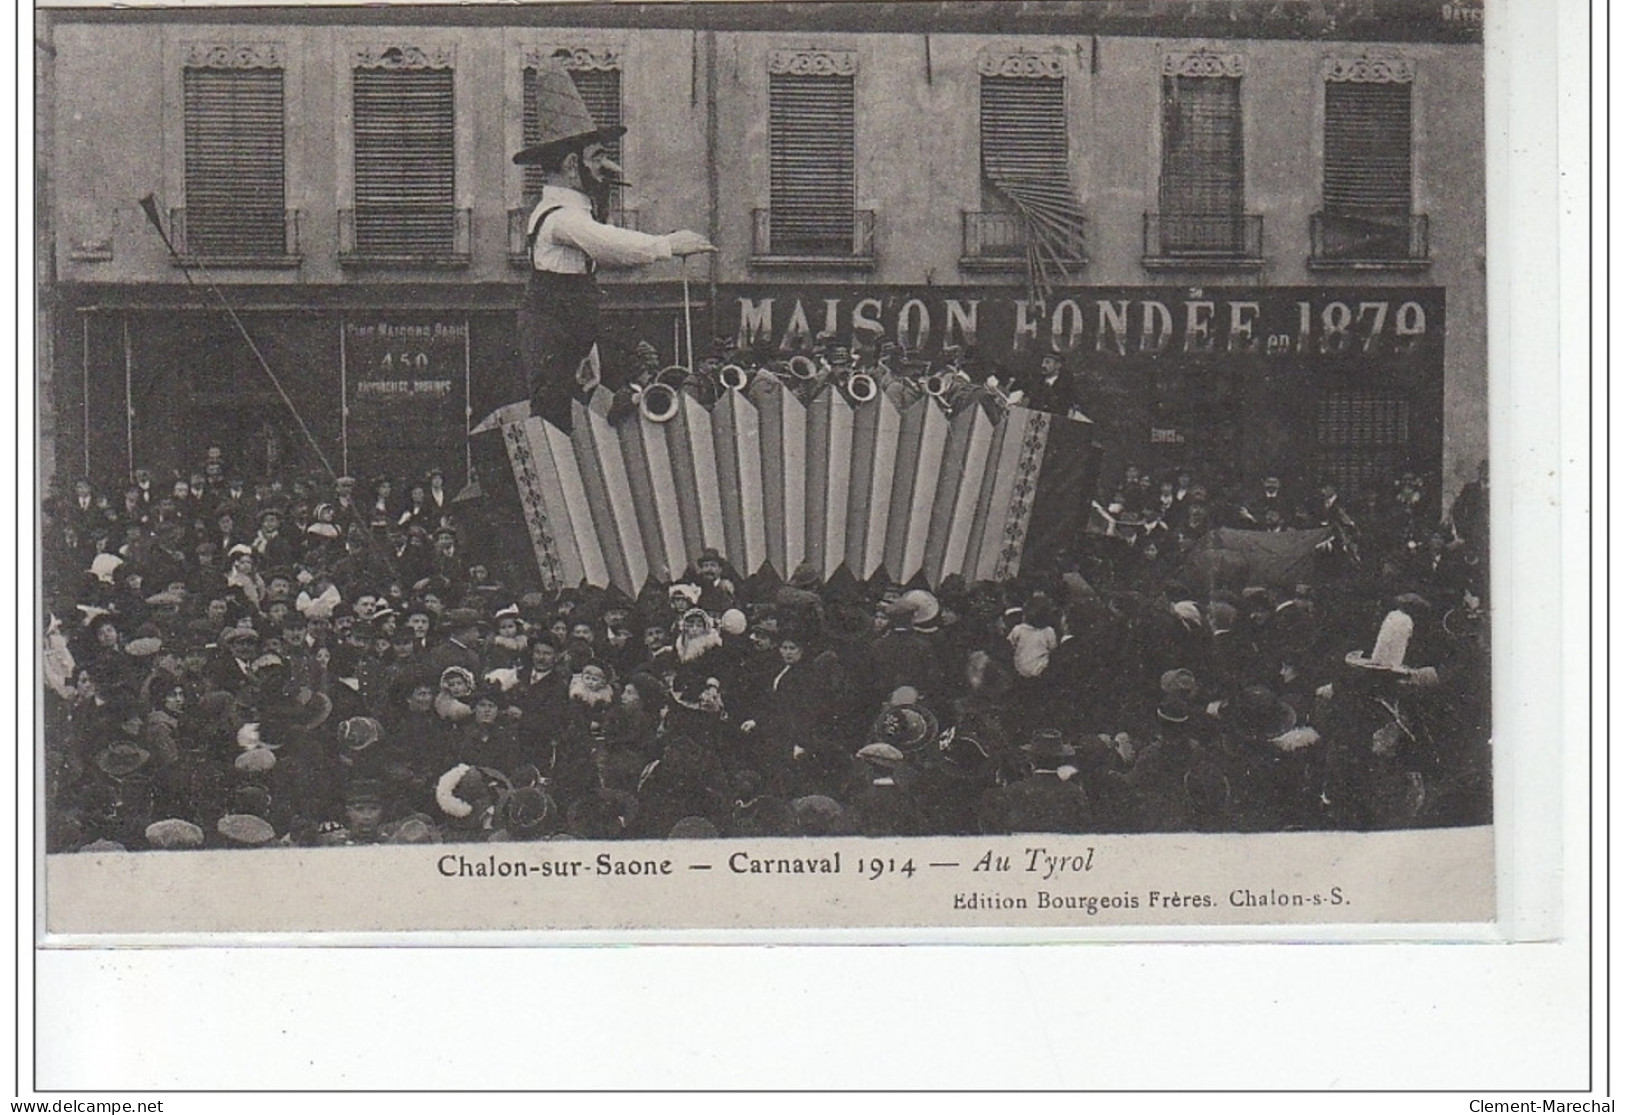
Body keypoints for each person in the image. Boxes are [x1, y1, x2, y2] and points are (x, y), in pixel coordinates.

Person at [512, 56, 714, 431]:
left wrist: (586, 346)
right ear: (573, 165)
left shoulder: (572, 208)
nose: (607, 165)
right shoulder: (561, 216)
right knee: (553, 424)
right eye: (598, 157)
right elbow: (606, 244)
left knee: (567, 421)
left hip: (566, 331)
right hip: (552, 334)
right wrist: (668, 245)